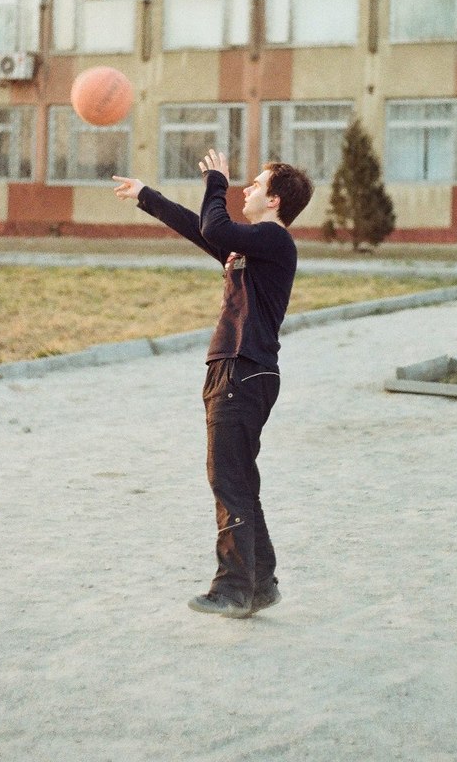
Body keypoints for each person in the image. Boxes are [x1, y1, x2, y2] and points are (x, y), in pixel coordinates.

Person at [112, 149, 313, 619]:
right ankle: (261, 584)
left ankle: (232, 589)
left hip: (243, 369)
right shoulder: (252, 247)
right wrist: (146, 196)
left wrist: (216, 182)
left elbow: (215, 226)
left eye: (256, 185)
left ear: (275, 200)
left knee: (226, 478)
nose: (248, 189)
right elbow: (200, 228)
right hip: (238, 369)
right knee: (239, 477)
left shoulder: (274, 239)